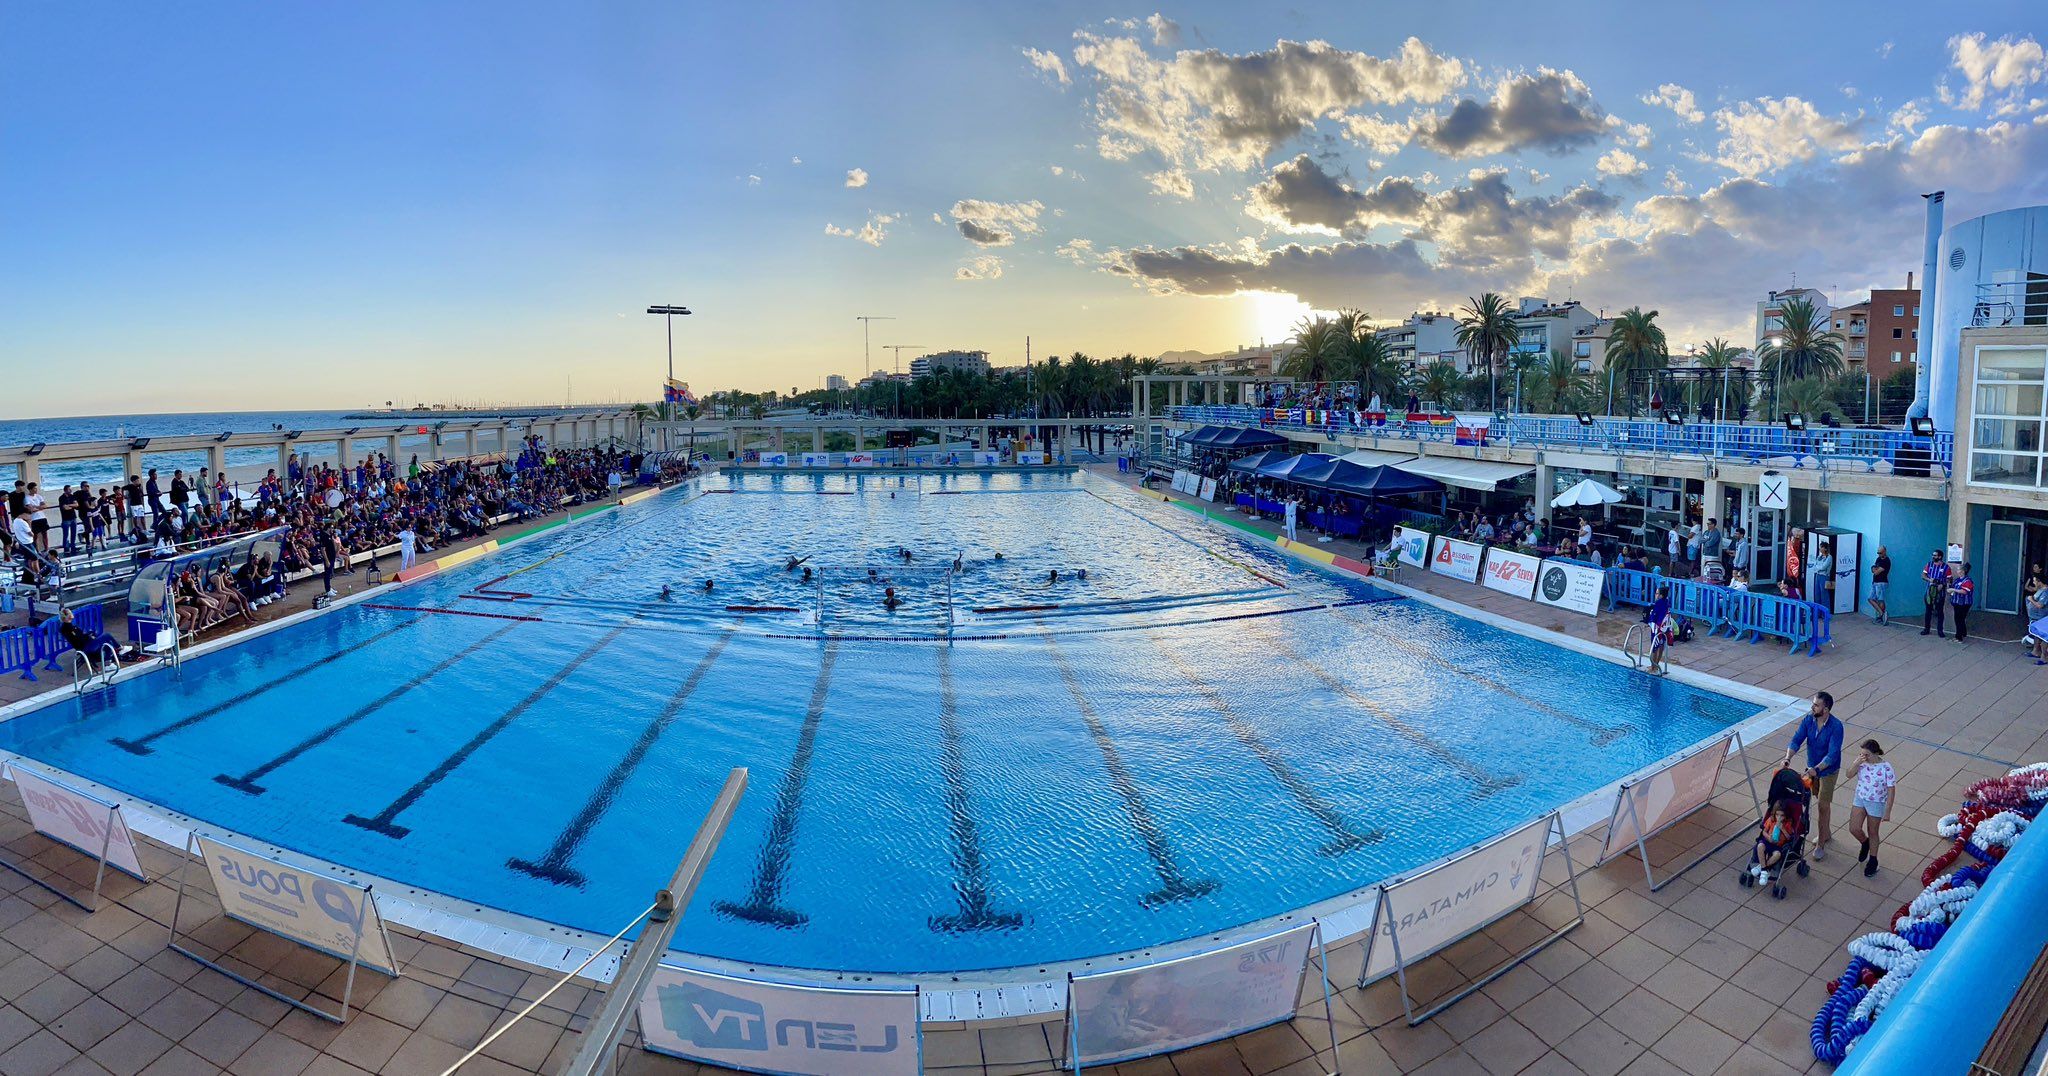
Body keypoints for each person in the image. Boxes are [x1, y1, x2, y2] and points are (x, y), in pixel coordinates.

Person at [1783, 692, 1845, 859]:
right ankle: (1827, 832)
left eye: (1816, 705)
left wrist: (1817, 770)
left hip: (1828, 771)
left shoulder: (1836, 726)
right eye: (1813, 704)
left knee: (1822, 806)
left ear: (1825, 709)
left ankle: (1821, 844)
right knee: (1819, 800)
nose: (1812, 707)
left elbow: (1832, 755)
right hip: (1813, 769)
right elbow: (1796, 740)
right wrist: (1788, 758)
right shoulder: (1808, 720)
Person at [1848, 739, 1895, 878]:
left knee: (1873, 831)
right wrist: (1856, 764)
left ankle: (1873, 860)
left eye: (1866, 754)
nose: (1864, 757)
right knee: (1854, 828)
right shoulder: (1861, 763)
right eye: (1862, 754)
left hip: (1876, 802)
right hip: (1860, 798)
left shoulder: (1886, 767)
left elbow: (1891, 790)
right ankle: (1865, 842)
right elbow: (1849, 774)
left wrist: (1888, 810)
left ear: (1875, 753)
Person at [1920, 550, 1950, 637]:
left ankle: (1940, 630)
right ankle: (1926, 629)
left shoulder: (1946, 567)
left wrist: (1943, 584)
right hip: (1929, 591)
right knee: (1928, 610)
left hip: (1940, 592)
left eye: (1935, 555)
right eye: (1933, 555)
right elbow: (1923, 576)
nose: (1933, 557)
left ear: (1940, 557)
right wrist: (1930, 580)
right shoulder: (1929, 565)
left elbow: (1949, 579)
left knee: (1940, 611)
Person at [1949, 562, 1975, 642]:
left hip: (1964, 603)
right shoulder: (1957, 580)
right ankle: (1963, 633)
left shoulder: (1967, 581)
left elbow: (1964, 591)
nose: (1957, 571)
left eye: (1958, 569)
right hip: (1956, 602)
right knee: (1960, 619)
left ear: (1963, 571)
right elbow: (1953, 587)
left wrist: (1953, 590)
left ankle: (1958, 637)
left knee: (1959, 619)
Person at [1647, 606, 1676, 676]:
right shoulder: (1664, 606)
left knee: (1656, 648)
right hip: (1663, 629)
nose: (1656, 595)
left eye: (1657, 594)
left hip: (1660, 629)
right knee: (1659, 648)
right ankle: (1655, 665)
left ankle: (1654, 666)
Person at [1869, 546, 1891, 625]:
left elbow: (1876, 572)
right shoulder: (1878, 559)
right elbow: (1873, 568)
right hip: (1875, 582)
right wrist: (1874, 569)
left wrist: (1874, 569)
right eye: (1878, 553)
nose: (1879, 554)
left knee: (1880, 600)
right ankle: (1882, 614)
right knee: (1870, 599)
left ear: (1885, 551)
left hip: (1881, 583)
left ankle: (1881, 617)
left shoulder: (1886, 561)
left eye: (1880, 553)